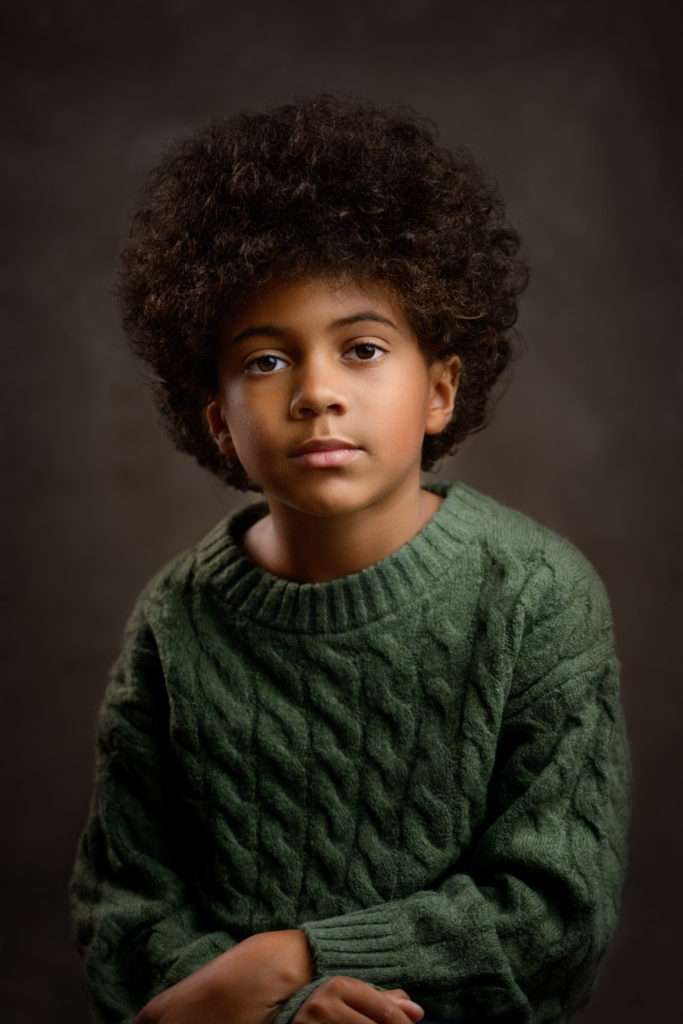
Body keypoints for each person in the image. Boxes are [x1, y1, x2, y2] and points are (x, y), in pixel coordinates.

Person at [68, 92, 632, 1024]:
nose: (317, 393)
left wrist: (298, 958)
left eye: (362, 348)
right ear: (217, 420)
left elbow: (552, 917)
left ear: (440, 390)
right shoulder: (174, 620)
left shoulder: (536, 597)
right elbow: (124, 913)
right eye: (264, 361)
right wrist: (285, 1014)